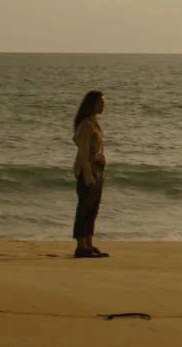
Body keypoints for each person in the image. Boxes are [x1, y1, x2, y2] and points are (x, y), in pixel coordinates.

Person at [72, 90, 109, 258]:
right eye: (100, 102)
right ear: (92, 104)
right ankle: (81, 246)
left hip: (98, 171)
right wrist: (87, 175)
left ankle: (89, 242)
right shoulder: (86, 125)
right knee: (85, 208)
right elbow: (83, 152)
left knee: (93, 208)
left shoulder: (94, 123)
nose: (103, 105)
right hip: (88, 172)